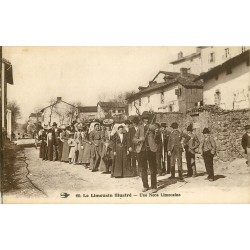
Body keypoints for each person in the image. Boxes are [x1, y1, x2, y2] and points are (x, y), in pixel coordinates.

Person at [133, 111, 161, 193]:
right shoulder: (140, 128)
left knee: (153, 169)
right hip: (142, 150)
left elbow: (157, 139)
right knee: (143, 169)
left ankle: (154, 186)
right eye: (145, 118)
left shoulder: (153, 127)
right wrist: (139, 139)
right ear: (142, 119)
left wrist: (157, 133)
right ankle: (145, 185)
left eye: (147, 118)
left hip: (151, 150)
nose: (146, 120)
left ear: (149, 119)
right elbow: (134, 139)